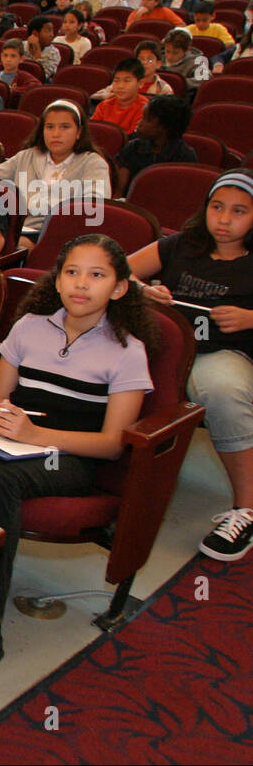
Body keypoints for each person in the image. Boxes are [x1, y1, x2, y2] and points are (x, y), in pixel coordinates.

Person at [0, 235, 155, 689]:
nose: (81, 284)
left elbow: (110, 445)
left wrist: (36, 436)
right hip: (14, 442)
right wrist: (3, 425)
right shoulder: (30, 326)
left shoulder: (126, 350)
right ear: (57, 278)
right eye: (71, 272)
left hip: (70, 458)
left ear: (120, 288)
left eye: (97, 275)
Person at [129, 170, 253, 560]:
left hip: (220, 353)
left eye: (239, 211)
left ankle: (247, 507)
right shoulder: (182, 244)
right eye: (217, 207)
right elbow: (119, 271)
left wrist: (251, 318)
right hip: (163, 345)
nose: (224, 219)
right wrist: (146, 290)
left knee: (221, 388)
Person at [0, 99, 111, 242]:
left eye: (65, 127)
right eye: (49, 127)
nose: (56, 134)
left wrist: (36, 206)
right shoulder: (27, 155)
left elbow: (93, 206)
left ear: (79, 132)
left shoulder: (93, 163)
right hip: (15, 229)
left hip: (61, 235)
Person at [114, 94, 197, 190]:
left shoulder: (184, 155)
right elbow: (119, 189)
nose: (139, 123)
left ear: (165, 127)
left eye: (147, 120)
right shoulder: (133, 147)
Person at [91, 58, 150, 135]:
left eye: (127, 81)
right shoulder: (103, 106)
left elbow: (133, 138)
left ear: (140, 83)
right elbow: (91, 131)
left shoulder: (144, 109)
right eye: (116, 80)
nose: (120, 86)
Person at [162, 28, 213, 93]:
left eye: (175, 53)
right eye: (167, 51)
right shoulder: (158, 57)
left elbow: (204, 78)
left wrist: (177, 82)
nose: (169, 56)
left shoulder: (197, 61)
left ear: (187, 50)